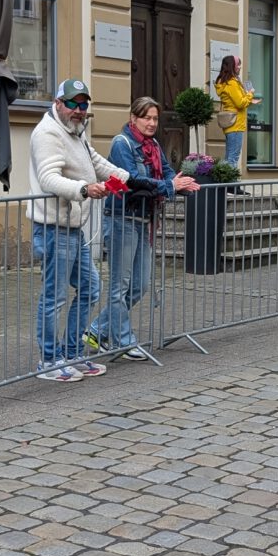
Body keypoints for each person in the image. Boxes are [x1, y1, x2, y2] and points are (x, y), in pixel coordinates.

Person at [28, 78, 131, 381]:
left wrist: (131, 178)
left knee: (90, 287)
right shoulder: (48, 133)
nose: (78, 109)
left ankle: (71, 353)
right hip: (52, 228)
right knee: (54, 296)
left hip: (72, 228)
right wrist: (84, 189)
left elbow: (96, 161)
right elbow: (49, 178)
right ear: (58, 103)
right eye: (72, 103)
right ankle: (48, 361)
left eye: (83, 104)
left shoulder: (76, 132)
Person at [84, 97, 200, 360]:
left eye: (155, 118)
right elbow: (132, 181)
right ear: (133, 118)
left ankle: (96, 329)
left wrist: (177, 181)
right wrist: (170, 187)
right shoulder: (122, 144)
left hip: (144, 220)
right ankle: (124, 342)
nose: (151, 123)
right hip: (122, 219)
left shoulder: (154, 145)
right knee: (120, 285)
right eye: (146, 117)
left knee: (140, 285)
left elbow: (167, 170)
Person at [214, 55, 260, 170]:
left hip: (232, 124)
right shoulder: (232, 83)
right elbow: (240, 103)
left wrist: (249, 100)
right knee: (233, 158)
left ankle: (226, 186)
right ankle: (231, 187)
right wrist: (250, 94)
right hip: (236, 124)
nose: (239, 67)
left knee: (229, 157)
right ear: (231, 66)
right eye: (237, 64)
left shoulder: (226, 82)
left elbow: (237, 102)